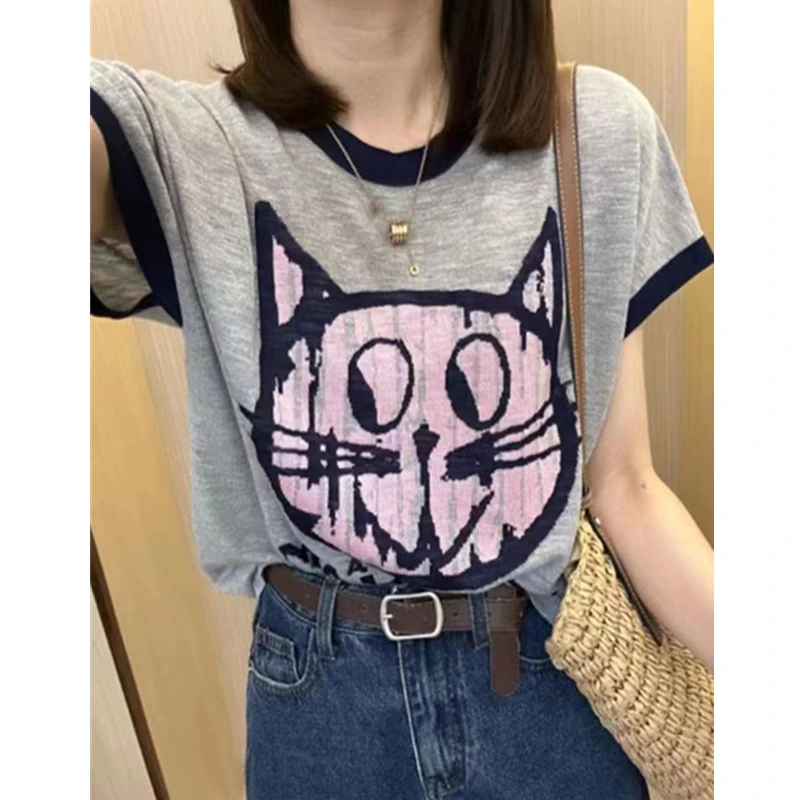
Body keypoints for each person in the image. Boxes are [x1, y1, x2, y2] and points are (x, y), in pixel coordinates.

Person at [90, 1, 714, 797]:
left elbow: (624, 485)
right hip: (321, 706)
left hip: (548, 678)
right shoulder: (176, 147)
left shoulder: (595, 133)